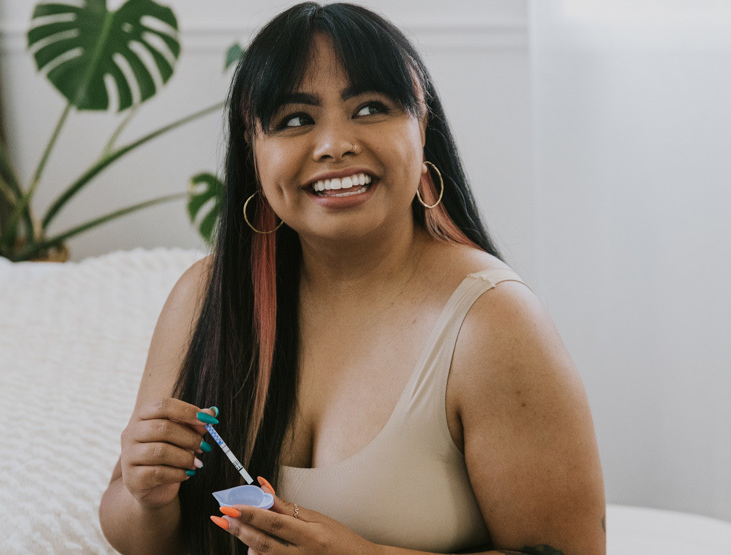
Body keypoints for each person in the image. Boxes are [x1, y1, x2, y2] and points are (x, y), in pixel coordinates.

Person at [99, 3, 605, 554]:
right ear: (253, 148)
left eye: (370, 108)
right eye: (295, 119)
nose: (335, 144)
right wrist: (146, 494)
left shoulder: (492, 323)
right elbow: (136, 535)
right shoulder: (206, 297)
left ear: (422, 127)